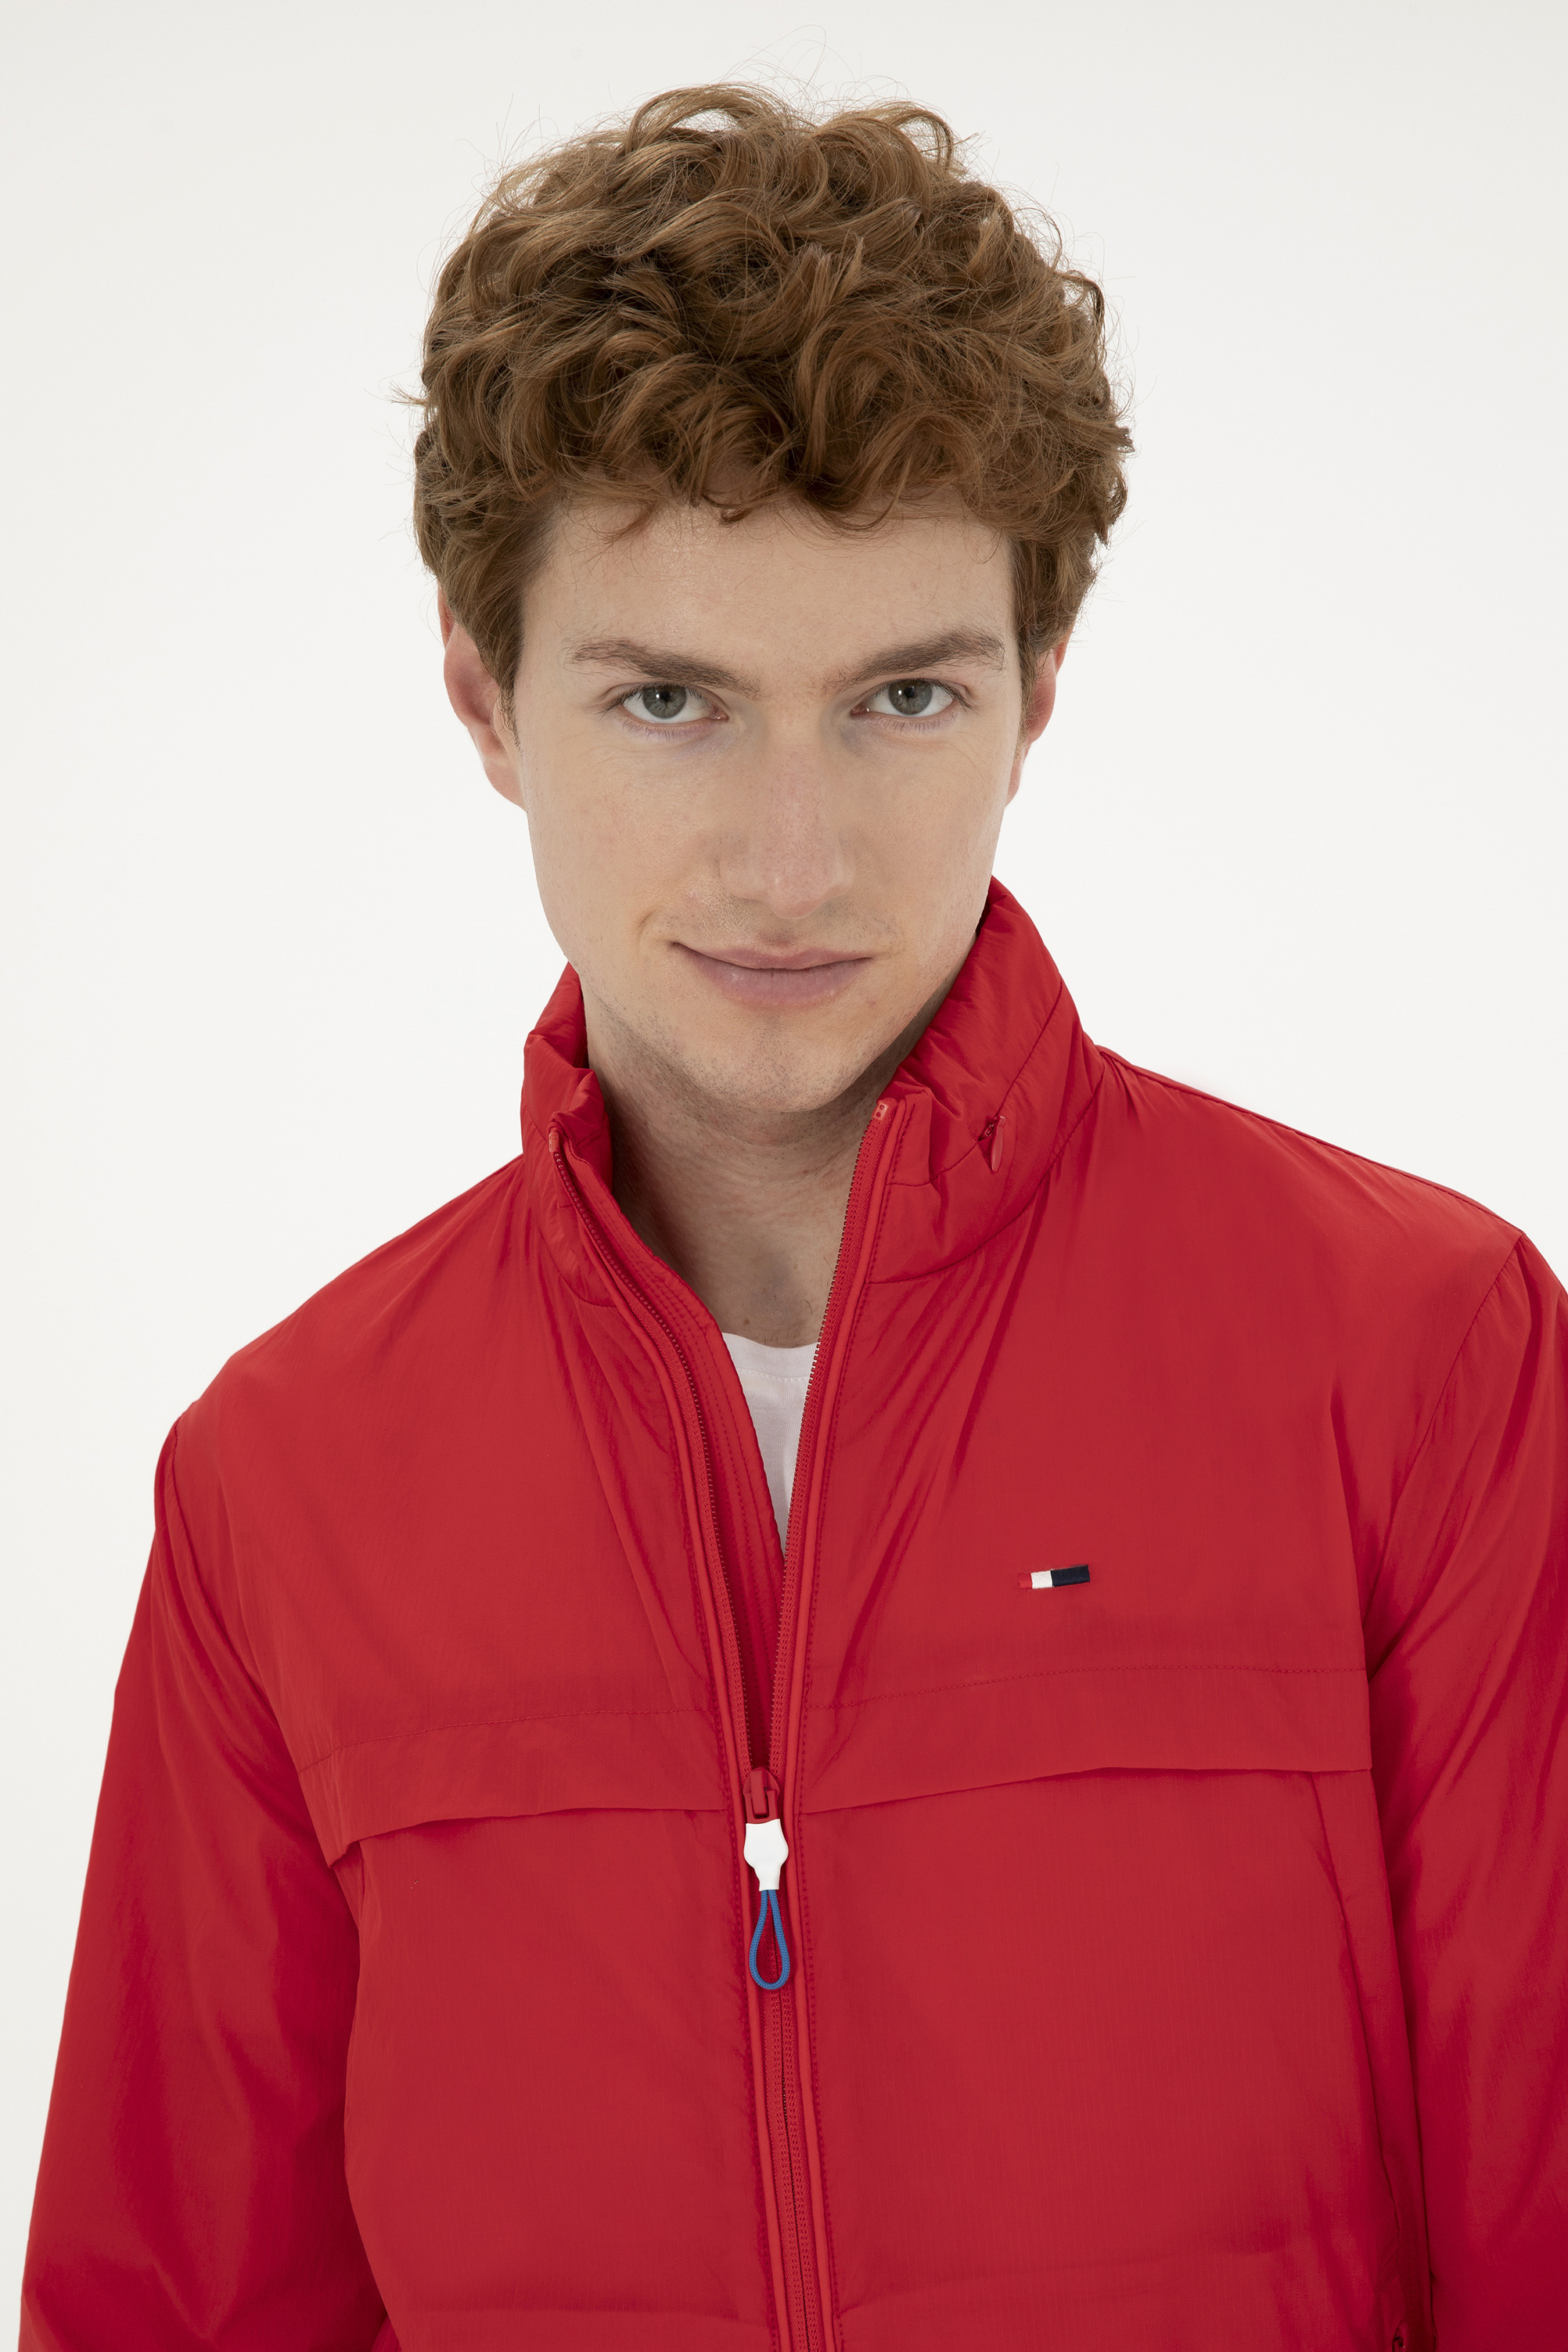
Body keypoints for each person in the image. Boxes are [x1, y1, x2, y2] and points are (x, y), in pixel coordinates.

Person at [20, 83, 1566, 2352]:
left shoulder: (1417, 1361)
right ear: (484, 697)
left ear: (1038, 692)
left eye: (901, 698)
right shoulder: (286, 1482)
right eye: (670, 700)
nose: (790, 861)